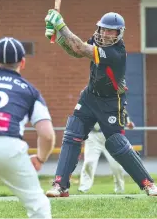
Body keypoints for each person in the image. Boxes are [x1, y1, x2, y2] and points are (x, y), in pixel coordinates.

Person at [44, 10, 157, 197]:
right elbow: (75, 52)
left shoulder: (116, 52)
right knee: (72, 134)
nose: (105, 34)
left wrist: (61, 26)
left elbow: (80, 48)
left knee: (116, 144)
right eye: (103, 29)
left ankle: (148, 184)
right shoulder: (97, 40)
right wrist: (58, 37)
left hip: (112, 101)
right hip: (89, 97)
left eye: (111, 31)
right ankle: (60, 185)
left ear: (119, 33)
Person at [0, 37, 55, 218]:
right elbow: (47, 135)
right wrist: (40, 159)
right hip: (10, 148)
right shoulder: (30, 91)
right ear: (22, 63)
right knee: (39, 206)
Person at [78, 112, 135, 194]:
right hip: (93, 136)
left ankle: (120, 189)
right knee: (89, 162)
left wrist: (128, 122)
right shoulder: (91, 100)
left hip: (111, 135)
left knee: (116, 165)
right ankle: (83, 188)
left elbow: (123, 112)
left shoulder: (115, 100)